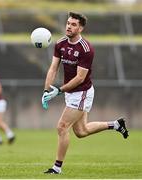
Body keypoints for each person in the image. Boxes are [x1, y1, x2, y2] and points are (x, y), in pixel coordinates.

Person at [42, 12, 129, 174]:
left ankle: (56, 168)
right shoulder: (60, 44)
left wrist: (59, 91)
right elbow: (53, 68)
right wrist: (46, 90)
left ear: (81, 28)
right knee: (81, 132)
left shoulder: (86, 49)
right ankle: (116, 124)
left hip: (82, 92)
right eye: (68, 23)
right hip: (71, 92)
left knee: (62, 127)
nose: (69, 26)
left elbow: (80, 78)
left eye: (73, 24)